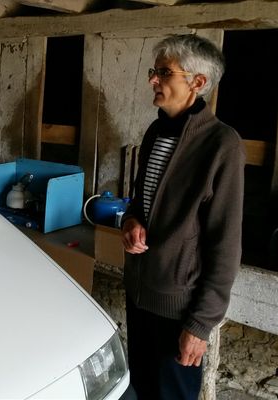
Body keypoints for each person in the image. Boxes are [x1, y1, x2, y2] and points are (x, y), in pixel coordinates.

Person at [121, 34, 245, 400]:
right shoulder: (156, 132)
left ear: (198, 82)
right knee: (141, 389)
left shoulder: (222, 145)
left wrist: (200, 324)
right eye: (154, 71)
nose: (152, 80)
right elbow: (138, 202)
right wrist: (130, 222)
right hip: (140, 294)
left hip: (179, 309)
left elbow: (225, 244)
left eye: (163, 72)